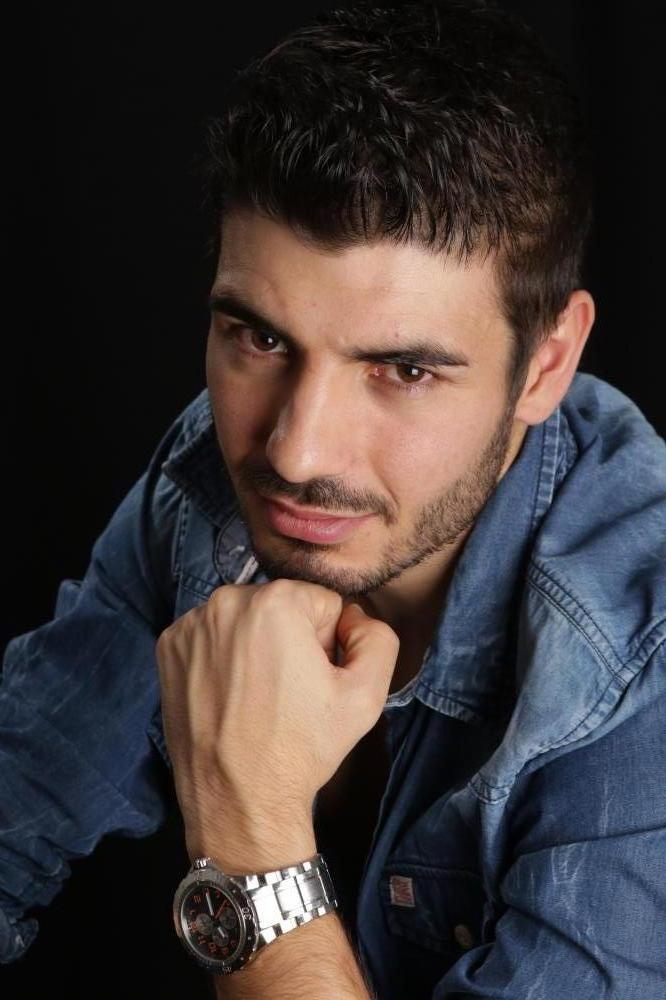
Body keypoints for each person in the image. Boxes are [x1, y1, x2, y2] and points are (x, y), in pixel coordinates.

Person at [2, 1, 665, 997]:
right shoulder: (212, 480)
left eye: (403, 369)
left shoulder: (643, 654)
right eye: (261, 338)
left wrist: (250, 829)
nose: (295, 450)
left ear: (546, 363)